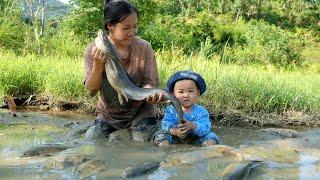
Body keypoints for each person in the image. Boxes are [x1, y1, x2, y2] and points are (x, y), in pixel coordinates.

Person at [83, 0, 165, 142]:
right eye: (126, 28)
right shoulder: (93, 50)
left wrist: (150, 93)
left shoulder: (144, 47)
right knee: (93, 139)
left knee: (142, 140)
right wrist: (98, 64)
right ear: (110, 26)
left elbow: (149, 83)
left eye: (135, 27)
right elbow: (91, 90)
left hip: (141, 114)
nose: (132, 32)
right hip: (108, 116)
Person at [157, 70, 220, 147]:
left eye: (190, 91)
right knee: (161, 135)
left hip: (196, 138)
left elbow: (205, 127)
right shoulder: (170, 110)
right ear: (173, 94)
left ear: (198, 93)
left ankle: (206, 151)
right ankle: (167, 148)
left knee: (211, 136)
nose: (186, 95)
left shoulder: (202, 111)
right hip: (175, 137)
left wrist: (193, 126)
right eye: (181, 92)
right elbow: (165, 124)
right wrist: (176, 131)